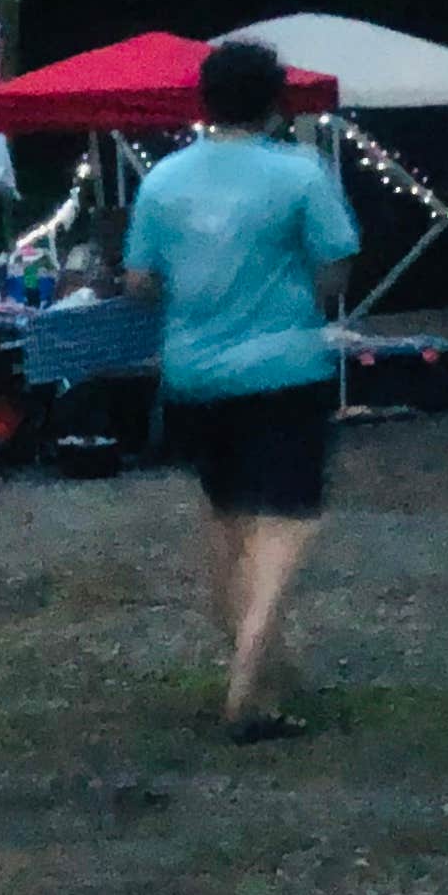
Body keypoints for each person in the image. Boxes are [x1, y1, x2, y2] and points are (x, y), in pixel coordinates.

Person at [124, 38, 356, 740]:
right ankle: (247, 685)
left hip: (194, 375)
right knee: (287, 525)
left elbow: (138, 283)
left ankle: (264, 666)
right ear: (276, 101)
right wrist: (299, 309)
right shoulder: (301, 174)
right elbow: (336, 263)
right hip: (285, 370)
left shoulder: (163, 180)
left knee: (226, 521)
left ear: (204, 99)